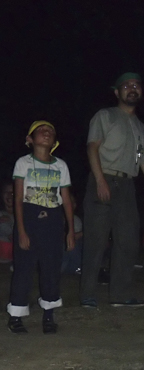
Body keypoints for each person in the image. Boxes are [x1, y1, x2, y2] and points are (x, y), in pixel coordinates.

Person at [80, 72, 144, 308]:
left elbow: (141, 159)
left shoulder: (139, 127)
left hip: (127, 186)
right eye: (127, 86)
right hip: (104, 178)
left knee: (127, 241)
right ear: (117, 92)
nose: (132, 89)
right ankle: (87, 294)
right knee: (96, 241)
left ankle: (120, 294)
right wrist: (100, 181)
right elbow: (92, 147)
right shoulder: (105, 116)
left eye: (136, 85)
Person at [7, 121, 74, 334]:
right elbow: (18, 198)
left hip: (53, 219)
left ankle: (48, 315)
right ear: (30, 139)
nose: (46, 134)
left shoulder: (60, 166)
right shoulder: (23, 163)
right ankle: (16, 316)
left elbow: (66, 199)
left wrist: (70, 230)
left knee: (51, 268)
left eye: (50, 132)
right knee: (24, 268)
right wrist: (22, 230)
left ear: (55, 141)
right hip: (29, 215)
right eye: (41, 131)